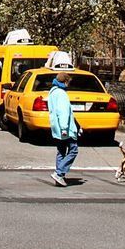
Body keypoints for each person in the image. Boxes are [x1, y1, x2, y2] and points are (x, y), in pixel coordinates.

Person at [47, 55, 82, 187]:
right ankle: (59, 173)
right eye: (68, 82)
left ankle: (59, 176)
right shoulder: (61, 94)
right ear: (65, 82)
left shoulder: (52, 92)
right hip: (65, 129)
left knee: (61, 151)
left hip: (57, 128)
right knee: (73, 150)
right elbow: (63, 112)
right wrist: (64, 128)